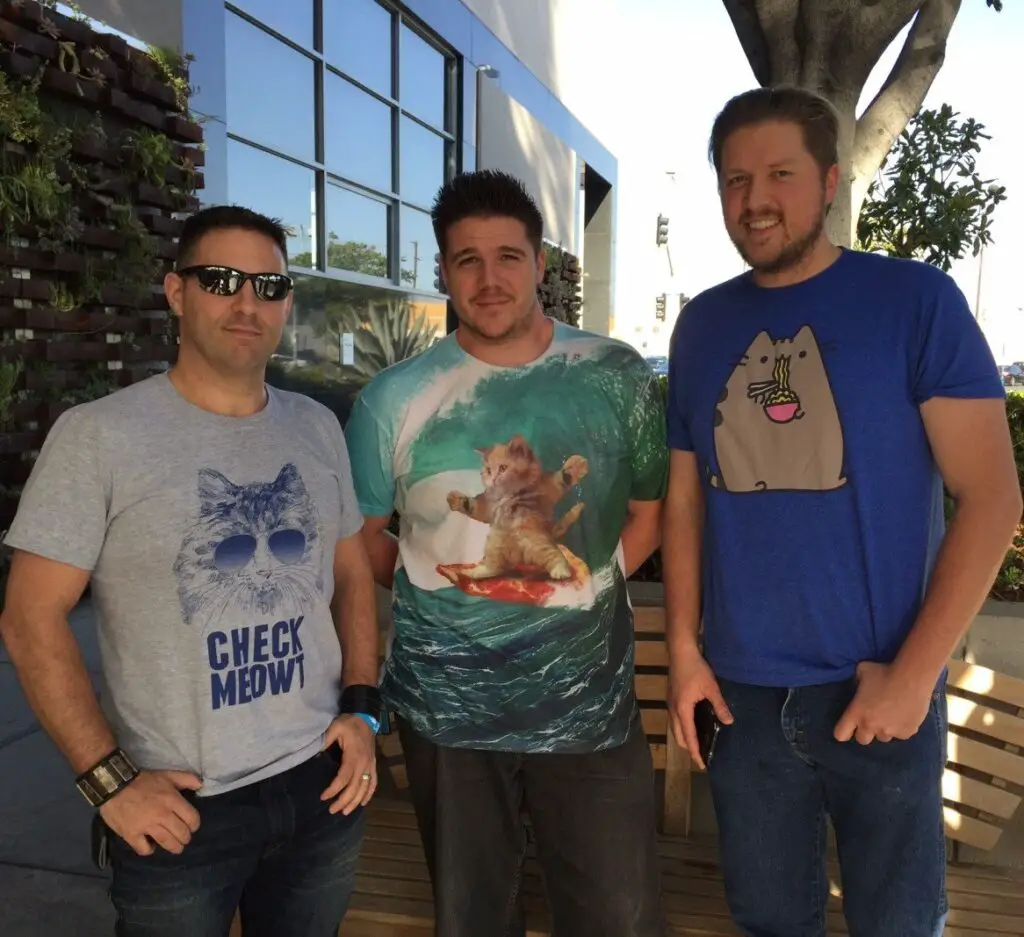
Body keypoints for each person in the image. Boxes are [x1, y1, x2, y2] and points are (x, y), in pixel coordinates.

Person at [663, 85, 1022, 937]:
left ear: (829, 182)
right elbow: (685, 499)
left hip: (878, 692)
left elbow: (993, 496)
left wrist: (913, 677)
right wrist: (683, 650)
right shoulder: (702, 325)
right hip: (740, 698)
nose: (755, 200)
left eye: (780, 173)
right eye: (735, 179)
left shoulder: (915, 302)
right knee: (768, 921)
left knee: (898, 925)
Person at [0, 205, 383, 937]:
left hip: (320, 785)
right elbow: (29, 618)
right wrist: (108, 781)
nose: (248, 302)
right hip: (181, 810)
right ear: (177, 292)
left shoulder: (315, 425)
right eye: (223, 279)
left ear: (287, 303)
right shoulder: (100, 436)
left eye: (268, 285)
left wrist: (364, 711)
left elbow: (354, 572)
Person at [344, 169, 668, 937]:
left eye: (507, 256)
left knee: (618, 918)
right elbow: (360, 542)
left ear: (540, 264)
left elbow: (650, 514)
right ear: (444, 271)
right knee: (473, 920)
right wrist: (440, 584)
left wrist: (571, 587)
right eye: (467, 260)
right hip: (447, 717)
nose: (489, 279)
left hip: (589, 709)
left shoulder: (615, 373)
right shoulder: (391, 398)